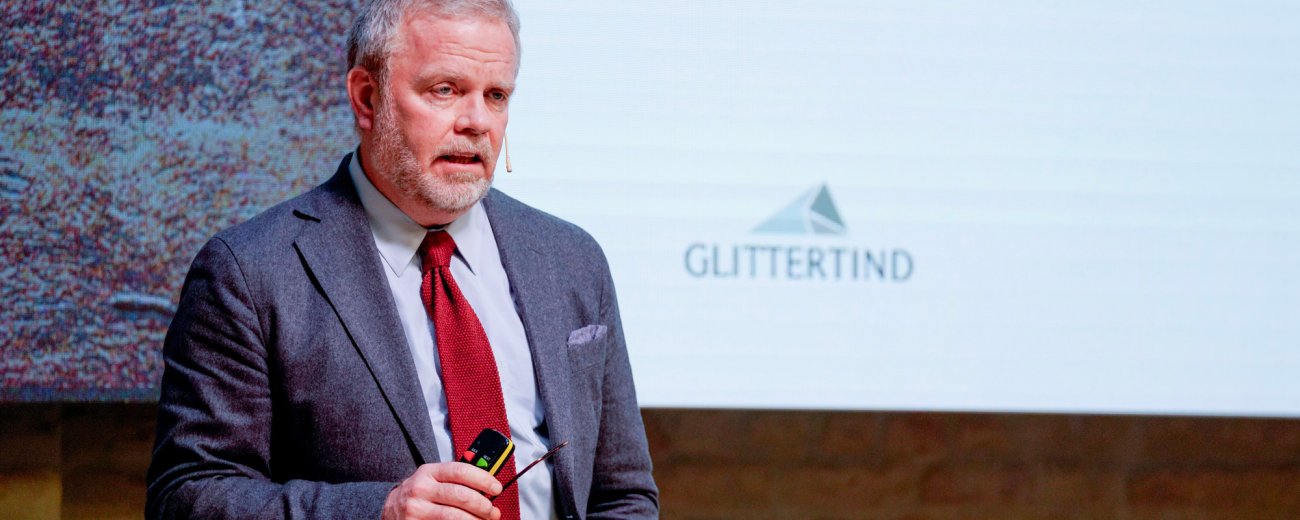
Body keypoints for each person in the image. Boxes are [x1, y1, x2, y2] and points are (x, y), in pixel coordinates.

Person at [145, 1, 659, 518]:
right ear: (367, 98)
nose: (478, 122)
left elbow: (622, 496)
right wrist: (380, 511)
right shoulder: (247, 272)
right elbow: (187, 496)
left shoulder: (571, 259)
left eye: (496, 95)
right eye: (445, 90)